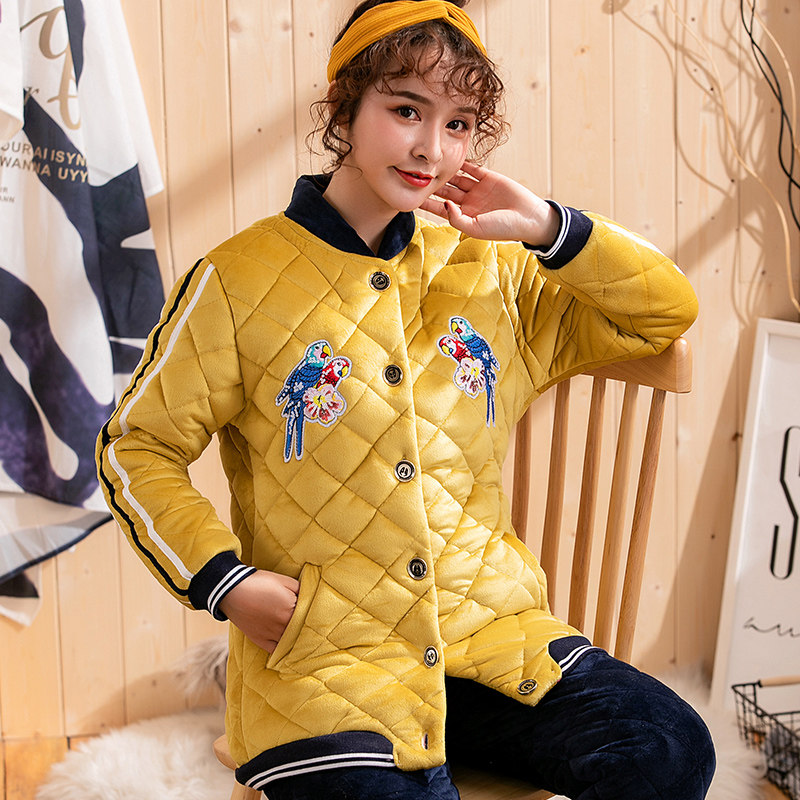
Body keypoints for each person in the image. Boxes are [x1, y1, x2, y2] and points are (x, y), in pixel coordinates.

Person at [97, 1, 715, 797]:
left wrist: (545, 225)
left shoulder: (493, 270)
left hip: (489, 641)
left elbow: (664, 312)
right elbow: (136, 446)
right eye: (405, 110)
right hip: (331, 666)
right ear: (344, 108)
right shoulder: (236, 282)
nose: (432, 147)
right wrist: (226, 581)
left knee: (670, 749)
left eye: (459, 124)